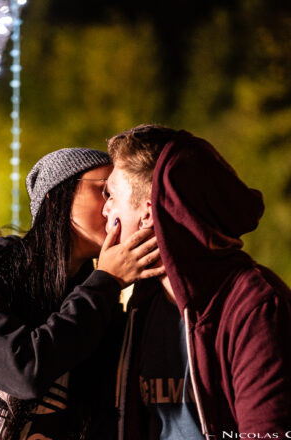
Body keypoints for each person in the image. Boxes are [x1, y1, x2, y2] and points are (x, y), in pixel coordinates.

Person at [0, 147, 164, 440]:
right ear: (56, 197)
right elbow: (21, 371)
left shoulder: (101, 299)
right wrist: (107, 280)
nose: (111, 208)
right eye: (105, 191)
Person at [101, 125, 291, 440]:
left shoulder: (252, 304)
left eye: (113, 195)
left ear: (149, 214)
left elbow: (268, 431)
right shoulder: (143, 306)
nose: (106, 208)